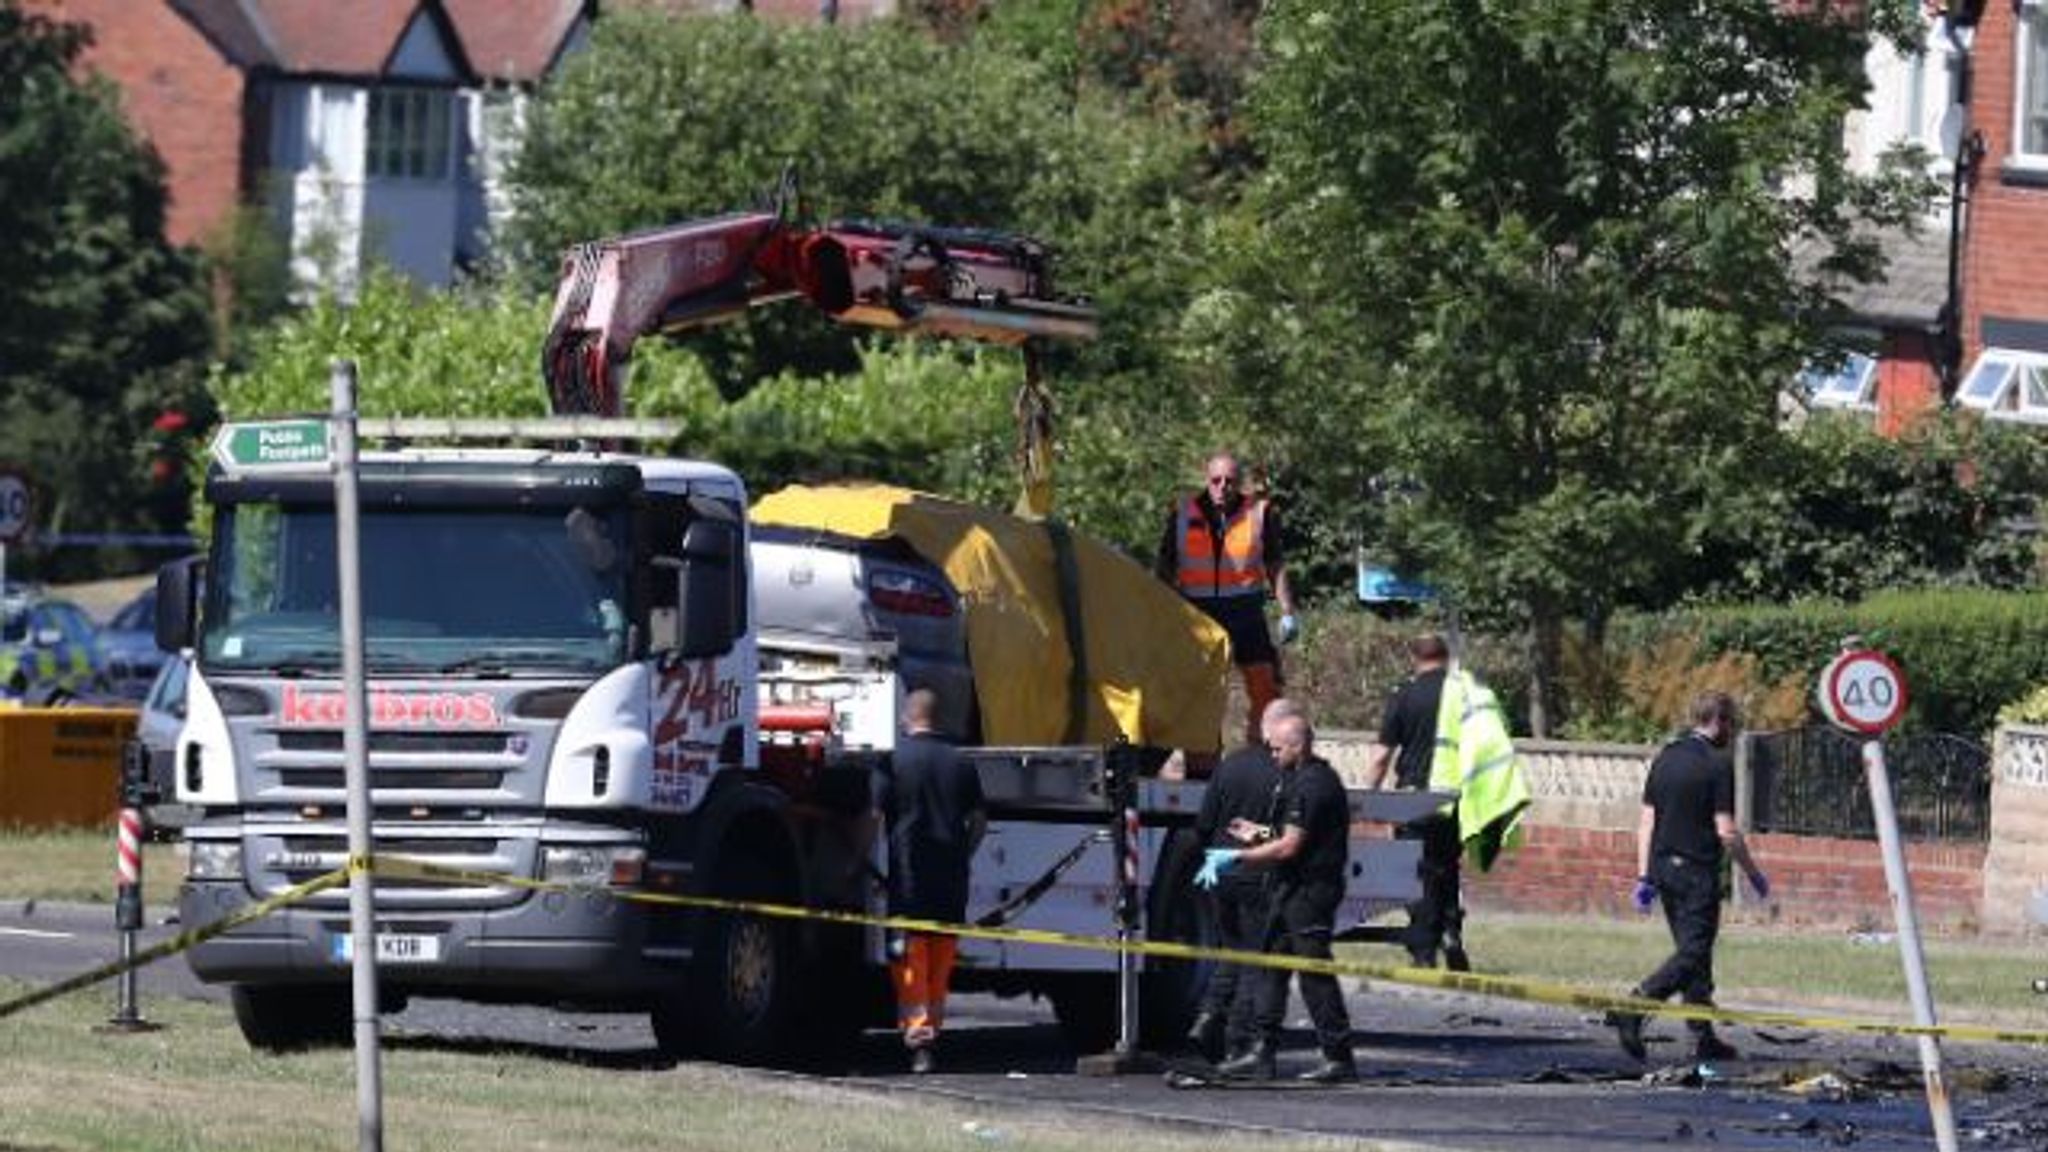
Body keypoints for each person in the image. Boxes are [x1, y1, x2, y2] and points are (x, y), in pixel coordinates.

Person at [1195, 712, 1357, 1083]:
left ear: (1298, 747)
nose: (1271, 754)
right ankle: (1259, 1051)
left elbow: (1289, 847)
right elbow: (1285, 834)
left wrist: (1237, 855)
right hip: (1288, 889)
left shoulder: (1315, 784)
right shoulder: (1294, 779)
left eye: (1277, 748)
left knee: (1314, 975)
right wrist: (1257, 832)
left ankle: (1338, 1057)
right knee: (1270, 967)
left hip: (1311, 893)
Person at [1610, 690, 1770, 1065]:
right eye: (1731, 723)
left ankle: (1703, 1036)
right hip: (1697, 871)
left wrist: (1644, 875)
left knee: (1694, 955)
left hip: (1664, 870)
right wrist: (1753, 873)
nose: (1732, 730)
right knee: (1694, 951)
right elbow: (1726, 831)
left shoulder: (1665, 757)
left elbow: (1647, 820)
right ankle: (1636, 1005)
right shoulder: (1717, 764)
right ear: (1720, 722)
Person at [873, 687, 987, 1073]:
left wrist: (858, 860)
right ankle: (931, 1034)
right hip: (952, 881)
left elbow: (873, 817)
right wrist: (963, 854)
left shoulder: (895, 761)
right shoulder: (960, 763)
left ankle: (919, 1040)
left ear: (908, 717)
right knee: (940, 964)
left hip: (908, 883)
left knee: (910, 963)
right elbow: (979, 822)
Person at [1184, 697, 1302, 1065]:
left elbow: (1204, 824)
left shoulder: (1231, 766)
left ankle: (1207, 1018)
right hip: (1259, 876)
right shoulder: (1289, 771)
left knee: (1230, 951)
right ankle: (1240, 1041)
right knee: (1256, 961)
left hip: (1222, 874)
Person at [1155, 451, 1299, 745]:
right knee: (1198, 692)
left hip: (1245, 612)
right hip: (1198, 615)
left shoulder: (1259, 513)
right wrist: (1162, 608)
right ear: (1206, 481)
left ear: (1240, 483)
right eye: (1216, 480)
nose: (1223, 487)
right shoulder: (1183, 513)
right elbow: (1165, 565)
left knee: (1265, 687)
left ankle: (1259, 753)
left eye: (1229, 481)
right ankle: (1203, 755)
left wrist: (1287, 611)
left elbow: (1275, 564)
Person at [1363, 633, 1469, 971]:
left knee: (1418, 874)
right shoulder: (1464, 696)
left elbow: (1382, 756)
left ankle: (1424, 949)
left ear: (1415, 658)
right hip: (1454, 796)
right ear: (1446, 656)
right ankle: (1451, 932)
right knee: (1448, 867)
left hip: (1413, 798)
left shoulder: (1405, 695)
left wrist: (1371, 798)